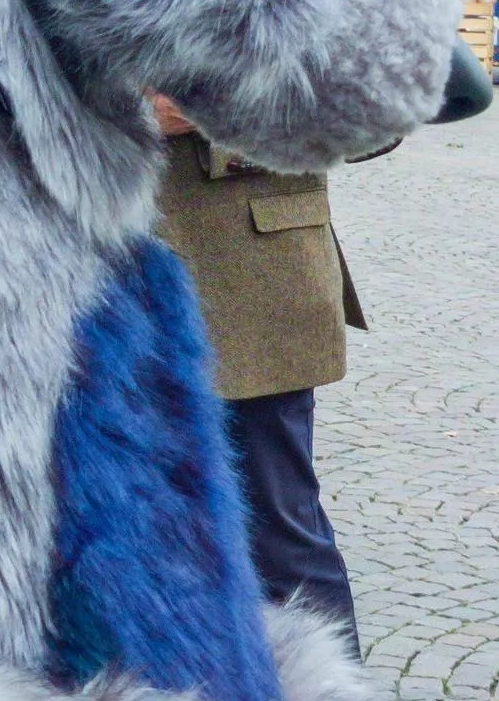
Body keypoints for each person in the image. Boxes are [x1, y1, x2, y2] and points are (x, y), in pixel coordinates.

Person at [149, 113, 368, 642]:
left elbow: (371, 109)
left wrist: (203, 105)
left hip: (243, 281)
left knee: (275, 532)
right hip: (66, 280)